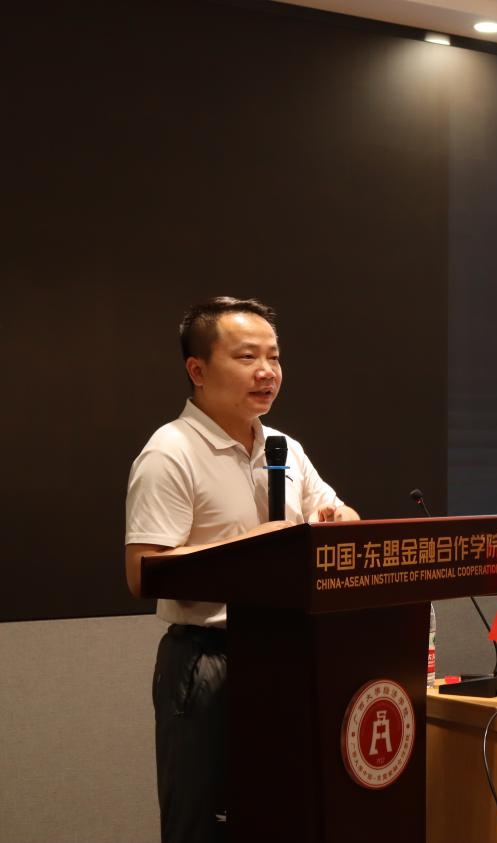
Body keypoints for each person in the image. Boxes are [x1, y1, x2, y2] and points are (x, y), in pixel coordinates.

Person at [124, 297, 358, 843]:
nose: (267, 372)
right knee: (204, 822)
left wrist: (335, 520)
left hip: (289, 653)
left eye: (274, 357)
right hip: (209, 661)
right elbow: (142, 572)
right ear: (198, 370)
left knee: (284, 816)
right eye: (247, 357)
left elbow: (343, 515)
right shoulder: (170, 452)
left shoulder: (284, 448)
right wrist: (255, 548)